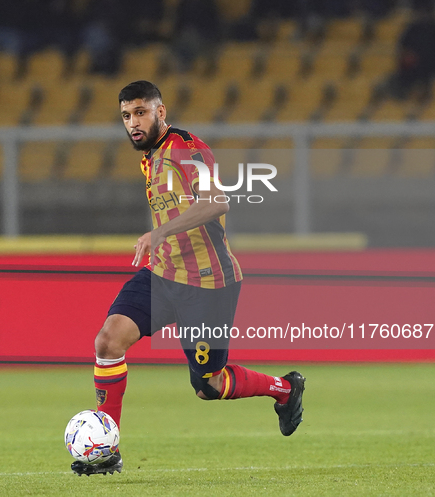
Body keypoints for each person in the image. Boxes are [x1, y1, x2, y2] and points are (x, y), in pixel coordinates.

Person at [71, 81, 306, 476]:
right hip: (163, 274)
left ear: (161, 112)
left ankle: (285, 389)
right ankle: (107, 452)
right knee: (108, 341)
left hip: (208, 283)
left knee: (208, 386)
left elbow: (217, 202)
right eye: (126, 115)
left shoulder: (186, 148)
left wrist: (160, 231)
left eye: (141, 112)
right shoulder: (149, 157)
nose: (133, 122)